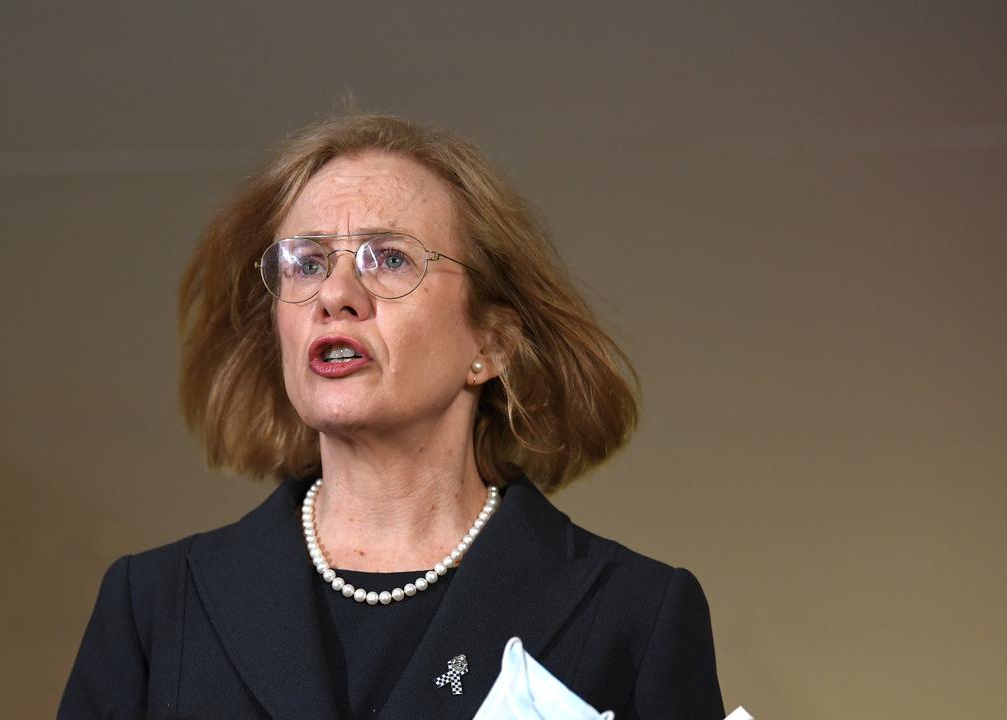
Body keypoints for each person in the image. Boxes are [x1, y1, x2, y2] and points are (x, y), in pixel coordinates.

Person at [58, 114, 724, 719]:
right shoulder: (155, 605)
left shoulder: (634, 614)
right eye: (307, 263)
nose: (336, 295)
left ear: (490, 345)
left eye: (390, 258)